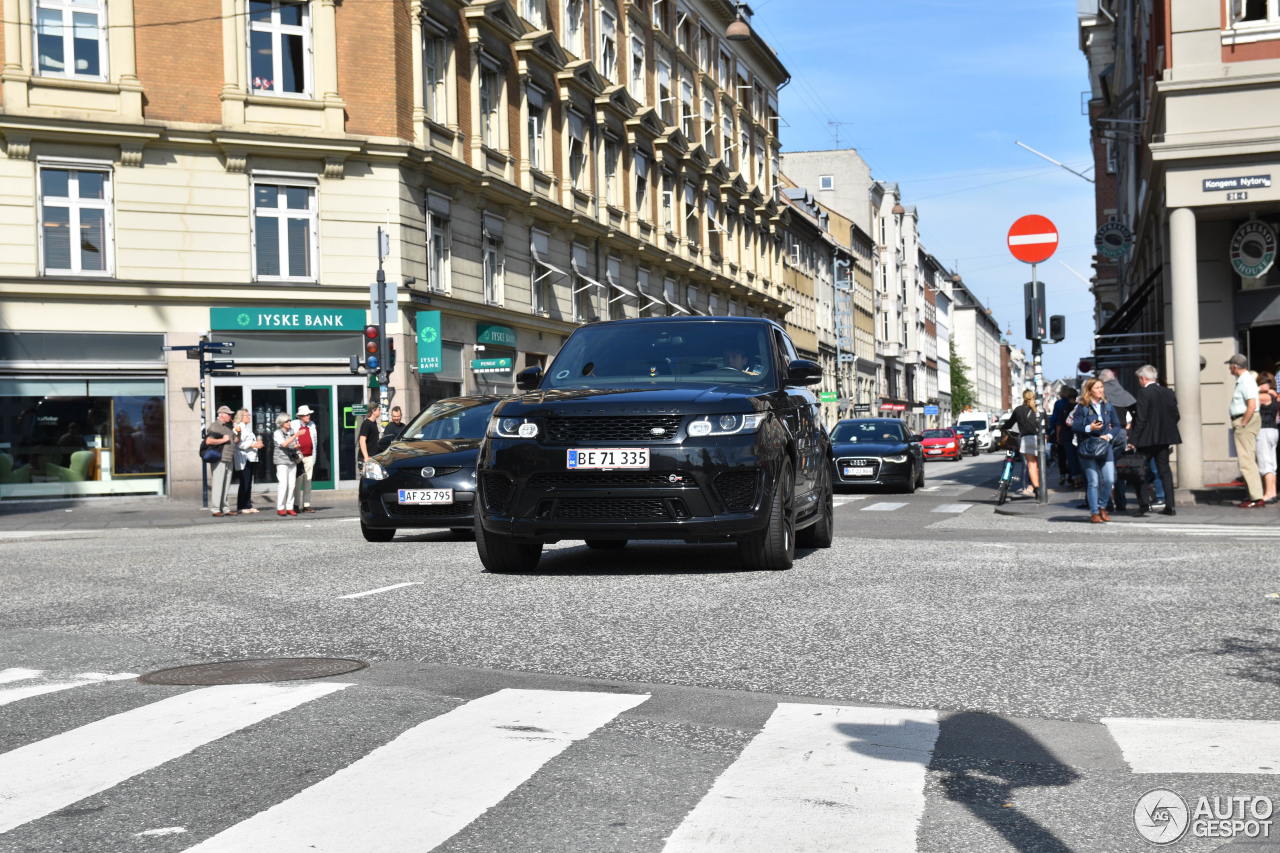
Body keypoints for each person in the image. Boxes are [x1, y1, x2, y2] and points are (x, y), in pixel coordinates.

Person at [1129, 364, 1181, 516]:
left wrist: (1133, 439)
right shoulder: (1168, 392)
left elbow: (1141, 419)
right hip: (1164, 438)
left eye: (1139, 379)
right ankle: (1170, 505)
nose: (1139, 381)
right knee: (1164, 470)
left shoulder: (1144, 393)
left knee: (1141, 471)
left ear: (1144, 378)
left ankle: (1144, 505)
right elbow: (1176, 415)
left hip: (1146, 439)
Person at [1072, 377, 1124, 524]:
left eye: (1101, 387)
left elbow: (1117, 425)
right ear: (1089, 390)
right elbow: (1075, 426)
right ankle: (1095, 512)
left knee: (1109, 479)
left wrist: (1109, 435)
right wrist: (1090, 428)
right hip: (1088, 447)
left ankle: (1102, 506)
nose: (1100, 390)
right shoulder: (1082, 407)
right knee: (1093, 481)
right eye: (1097, 388)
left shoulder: (1107, 406)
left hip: (1105, 446)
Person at [1227, 353, 1264, 508]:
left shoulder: (1246, 380)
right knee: (1247, 459)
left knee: (1246, 460)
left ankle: (1256, 497)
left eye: (1230, 365)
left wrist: (1243, 422)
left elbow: (1252, 404)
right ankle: (1253, 495)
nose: (1229, 368)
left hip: (1245, 420)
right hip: (1245, 419)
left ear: (1235, 366)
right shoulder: (1244, 380)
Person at [1002, 389, 1041, 498]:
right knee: (1039, 465)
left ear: (1023, 397)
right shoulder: (1039, 409)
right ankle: (1036, 486)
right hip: (1040, 439)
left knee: (1031, 465)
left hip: (1026, 439)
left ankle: (1035, 488)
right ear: (1033, 397)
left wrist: (1002, 427)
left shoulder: (1018, 410)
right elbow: (1046, 424)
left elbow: (1010, 423)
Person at [205, 405, 236, 517]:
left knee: (226, 484)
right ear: (222, 415)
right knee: (218, 484)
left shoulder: (227, 427)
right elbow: (208, 441)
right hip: (220, 458)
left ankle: (225, 508)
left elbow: (235, 441)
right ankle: (215, 509)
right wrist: (223, 440)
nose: (230, 416)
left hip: (228, 458)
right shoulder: (215, 426)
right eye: (228, 414)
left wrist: (238, 431)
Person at [231, 408, 263, 515]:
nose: (249, 417)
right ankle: (241, 506)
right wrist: (253, 444)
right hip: (243, 458)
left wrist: (257, 444)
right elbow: (238, 444)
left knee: (248, 482)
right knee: (244, 482)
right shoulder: (238, 427)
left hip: (250, 458)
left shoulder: (247, 428)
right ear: (241, 417)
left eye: (249, 415)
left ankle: (248, 505)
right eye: (247, 415)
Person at [1049, 386, 1081, 489]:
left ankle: (1065, 475)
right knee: (1076, 457)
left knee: (1064, 456)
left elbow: (1056, 421)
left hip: (1065, 435)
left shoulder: (1060, 405)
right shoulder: (1079, 406)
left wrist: (1056, 435)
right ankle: (1076, 478)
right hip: (1077, 434)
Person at [272, 413, 300, 516]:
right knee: (283, 484)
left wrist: (295, 444)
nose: (289, 423)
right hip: (281, 461)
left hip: (292, 460)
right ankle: (280, 507)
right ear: (281, 423)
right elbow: (283, 444)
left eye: (289, 421)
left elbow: (293, 444)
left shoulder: (291, 431)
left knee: (292, 485)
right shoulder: (277, 433)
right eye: (287, 421)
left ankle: (289, 507)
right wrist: (295, 437)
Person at [293, 404, 319, 513]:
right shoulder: (294, 425)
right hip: (298, 456)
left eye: (309, 414)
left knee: (308, 481)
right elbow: (292, 438)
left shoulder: (312, 425)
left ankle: (306, 505)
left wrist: (314, 456)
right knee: (298, 482)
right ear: (300, 416)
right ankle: (296, 504)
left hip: (309, 455)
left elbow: (315, 441)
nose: (308, 416)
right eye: (306, 415)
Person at [1257, 373, 1277, 504]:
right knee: (1271, 462)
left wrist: (1258, 389)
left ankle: (1269, 493)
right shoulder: (1275, 396)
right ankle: (1273, 491)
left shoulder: (1264, 396)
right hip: (1273, 430)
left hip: (1264, 430)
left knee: (1265, 463)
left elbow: (1250, 398)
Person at [358, 403, 383, 471]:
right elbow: (362, 440)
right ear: (373, 411)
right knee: (367, 480)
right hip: (367, 459)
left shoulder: (374, 423)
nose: (380, 411)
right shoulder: (366, 424)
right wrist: (366, 457)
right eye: (378, 409)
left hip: (373, 459)